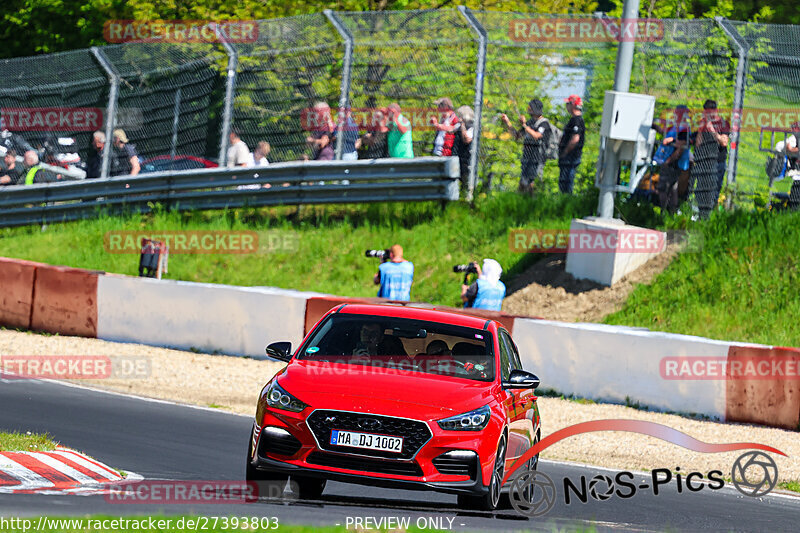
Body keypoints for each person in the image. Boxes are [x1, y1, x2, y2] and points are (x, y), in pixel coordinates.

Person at [501, 98, 552, 194]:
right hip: (526, 158)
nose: (528, 110)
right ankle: (520, 203)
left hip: (537, 159)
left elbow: (537, 136)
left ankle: (532, 204)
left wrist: (524, 125)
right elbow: (517, 136)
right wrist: (507, 122)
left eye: (530, 108)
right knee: (522, 184)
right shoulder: (530, 123)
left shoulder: (544, 123)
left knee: (532, 185)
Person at [694, 99, 731, 212]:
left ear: (716, 111)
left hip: (717, 162)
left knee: (713, 192)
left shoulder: (723, 124)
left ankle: (710, 216)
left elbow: (724, 142)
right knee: (700, 191)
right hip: (704, 162)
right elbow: (698, 144)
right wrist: (701, 130)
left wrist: (711, 130)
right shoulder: (703, 123)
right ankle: (700, 216)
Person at [656, 105, 691, 213]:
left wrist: (669, 160)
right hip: (668, 160)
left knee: (665, 187)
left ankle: (665, 211)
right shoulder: (676, 126)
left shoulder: (684, 128)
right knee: (672, 188)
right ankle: (670, 212)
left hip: (673, 162)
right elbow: (666, 133)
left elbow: (681, 147)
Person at [558, 94, 586, 194]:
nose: (566, 106)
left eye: (568, 103)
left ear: (573, 105)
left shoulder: (577, 120)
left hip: (570, 158)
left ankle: (566, 201)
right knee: (563, 183)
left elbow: (575, 139)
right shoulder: (573, 119)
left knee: (566, 184)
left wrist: (565, 152)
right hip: (568, 158)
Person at [453, 105, 475, 191]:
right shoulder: (459, 126)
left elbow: (467, 139)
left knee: (465, 182)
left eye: (459, 115)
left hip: (466, 160)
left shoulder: (471, 126)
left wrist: (462, 126)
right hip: (457, 157)